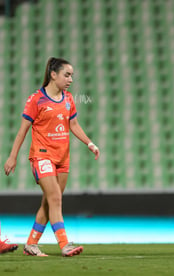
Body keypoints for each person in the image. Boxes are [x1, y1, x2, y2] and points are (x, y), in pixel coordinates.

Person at [4, 57, 100, 257]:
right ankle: (65, 244)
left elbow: (73, 125)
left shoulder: (68, 99)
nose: (70, 79)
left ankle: (31, 244)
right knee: (55, 197)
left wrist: (89, 143)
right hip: (42, 157)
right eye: (67, 75)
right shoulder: (36, 99)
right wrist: (12, 157)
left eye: (72, 75)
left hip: (63, 159)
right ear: (53, 75)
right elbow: (23, 131)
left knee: (49, 203)